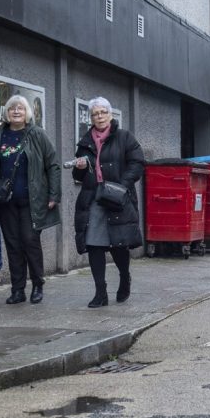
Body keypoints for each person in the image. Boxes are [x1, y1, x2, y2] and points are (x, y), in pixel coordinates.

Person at [0, 94, 61, 304]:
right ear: (6, 113)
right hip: (5, 202)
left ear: (27, 113)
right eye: (12, 108)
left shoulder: (37, 135)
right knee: (13, 244)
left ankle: (37, 284)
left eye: (21, 109)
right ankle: (18, 290)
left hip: (31, 201)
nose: (16, 111)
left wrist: (54, 194)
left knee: (30, 240)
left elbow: (53, 164)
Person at [72, 96, 144, 307]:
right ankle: (100, 292)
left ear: (110, 115)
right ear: (91, 117)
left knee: (119, 244)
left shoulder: (124, 137)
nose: (99, 116)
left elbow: (137, 163)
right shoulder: (85, 142)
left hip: (118, 197)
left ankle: (124, 277)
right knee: (94, 243)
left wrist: (121, 186)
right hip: (94, 198)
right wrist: (80, 168)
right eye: (95, 113)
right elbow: (78, 176)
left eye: (103, 112)